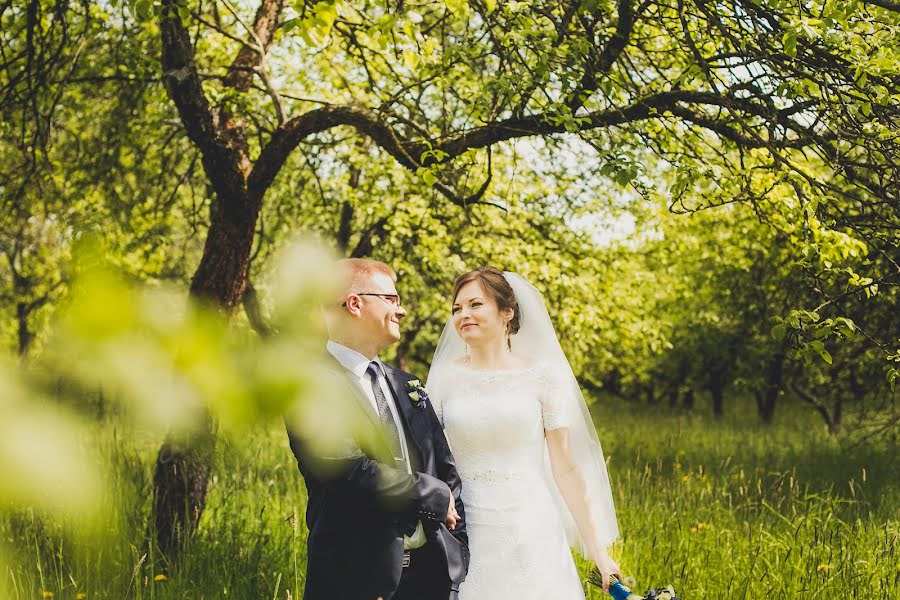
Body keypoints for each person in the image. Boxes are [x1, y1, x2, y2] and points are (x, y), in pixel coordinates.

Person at [426, 266, 621, 599]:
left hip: (531, 526)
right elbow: (427, 458)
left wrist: (599, 553)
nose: (463, 315)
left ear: (507, 312)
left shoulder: (543, 377)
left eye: (475, 305)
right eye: (457, 308)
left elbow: (566, 467)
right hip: (464, 525)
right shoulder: (443, 379)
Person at [286, 258, 469, 600]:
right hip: (354, 578)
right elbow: (346, 469)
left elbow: (445, 468)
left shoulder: (406, 383)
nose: (401, 311)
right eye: (391, 299)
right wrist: (432, 495)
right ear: (355, 303)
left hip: (432, 577)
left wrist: (456, 556)